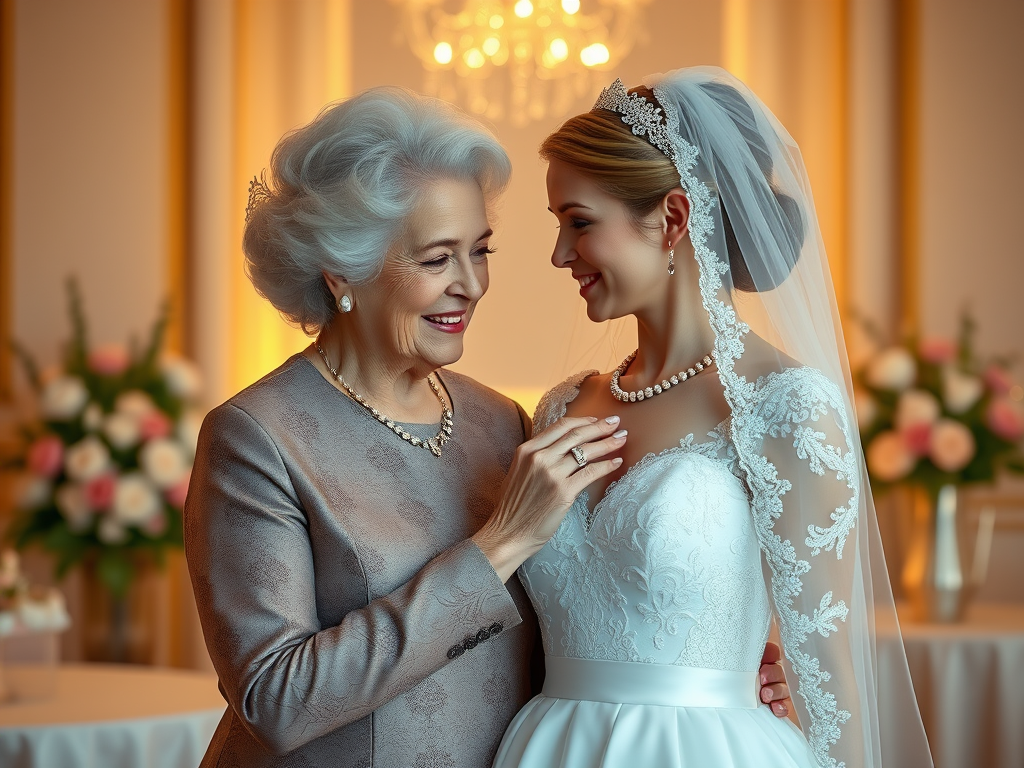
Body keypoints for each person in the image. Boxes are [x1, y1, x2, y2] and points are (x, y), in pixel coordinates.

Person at [184, 86, 793, 768]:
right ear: (340, 272)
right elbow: (274, 700)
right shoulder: (256, 437)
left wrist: (705, 672)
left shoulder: (502, 422)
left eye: (481, 251)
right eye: (436, 258)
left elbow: (559, 635)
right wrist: (500, 545)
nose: (471, 285)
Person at [491, 68, 933, 767]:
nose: (559, 254)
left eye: (579, 222)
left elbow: (830, 674)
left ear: (672, 219)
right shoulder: (563, 407)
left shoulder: (785, 405)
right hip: (550, 748)